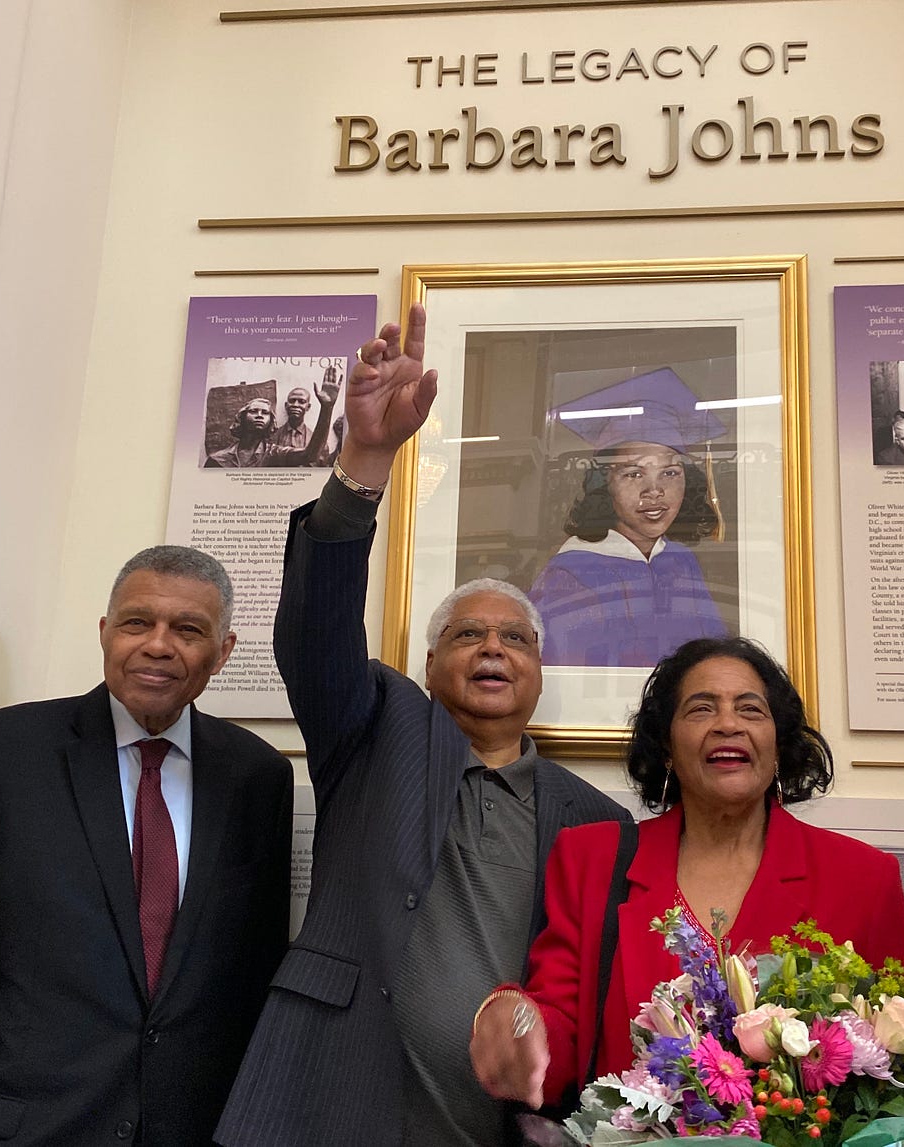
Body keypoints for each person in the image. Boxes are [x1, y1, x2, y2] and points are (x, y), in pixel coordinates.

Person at [214, 305, 630, 1147]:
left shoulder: (598, 821)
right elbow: (316, 632)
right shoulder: (374, 731)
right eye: (466, 635)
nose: (492, 649)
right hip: (331, 1105)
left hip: (503, 1130)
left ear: (538, 674)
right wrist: (366, 460)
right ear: (430, 665)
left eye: (515, 637)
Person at [469, 636, 904, 1133]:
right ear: (667, 747)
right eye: (701, 709)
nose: (728, 723)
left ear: (778, 745)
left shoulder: (861, 876)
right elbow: (560, 1030)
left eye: (751, 709)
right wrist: (522, 1034)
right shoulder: (592, 859)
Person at [0, 546, 292, 1146]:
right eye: (138, 622)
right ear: (105, 633)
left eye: (188, 630)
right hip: (23, 1129)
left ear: (223, 654)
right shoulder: (1, 753)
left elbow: (253, 972)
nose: (158, 645)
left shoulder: (259, 777)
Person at [528, 368, 728, 667]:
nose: (655, 491)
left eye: (670, 472)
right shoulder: (570, 571)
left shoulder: (682, 562)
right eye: (634, 473)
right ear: (603, 483)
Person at [205, 366, 340, 468]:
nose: (259, 415)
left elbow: (310, 455)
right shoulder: (217, 459)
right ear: (242, 418)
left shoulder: (274, 454)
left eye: (265, 413)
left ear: (271, 422)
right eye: (254, 411)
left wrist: (327, 408)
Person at [269, 386, 314, 451]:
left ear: (308, 407)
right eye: (292, 401)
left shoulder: (313, 438)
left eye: (302, 401)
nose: (295, 405)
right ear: (286, 405)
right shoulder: (274, 436)